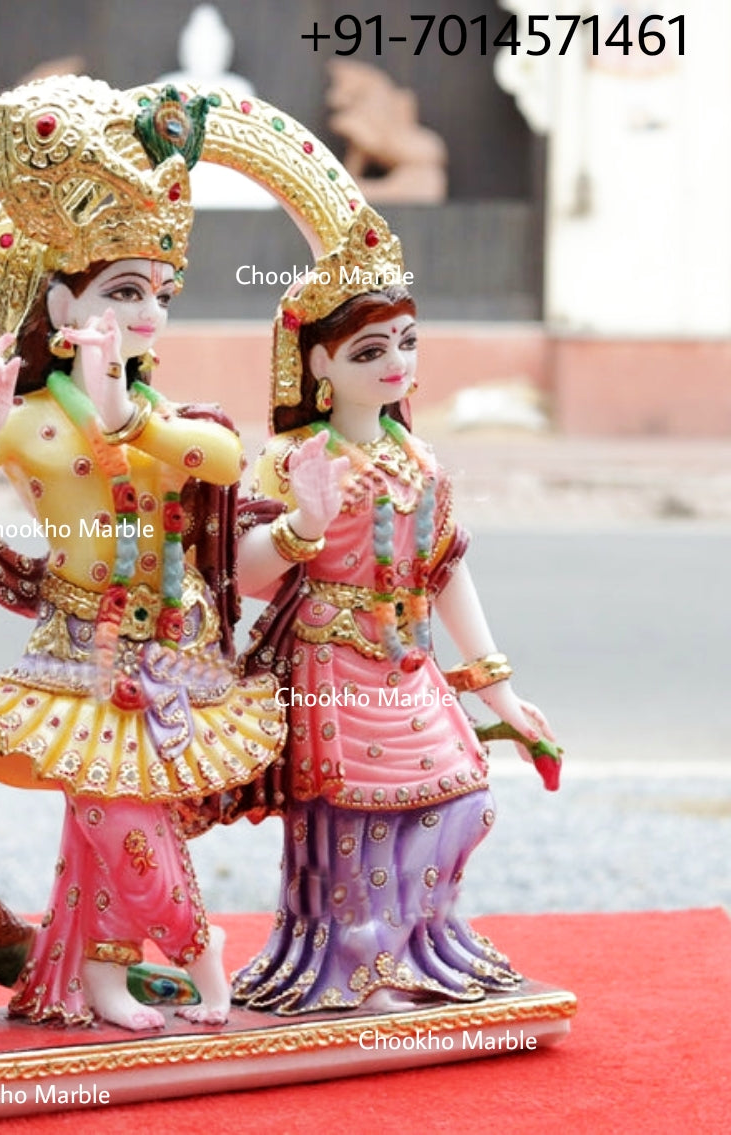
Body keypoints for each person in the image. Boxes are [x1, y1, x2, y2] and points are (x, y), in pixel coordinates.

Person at [0, 76, 284, 1031]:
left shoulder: (167, 418)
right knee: (112, 816)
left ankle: (126, 970)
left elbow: (226, 459)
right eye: (125, 292)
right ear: (64, 301)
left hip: (176, 655)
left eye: (160, 292)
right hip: (81, 657)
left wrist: (125, 415)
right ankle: (178, 965)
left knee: (123, 819)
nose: (150, 312)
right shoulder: (28, 423)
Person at [229, 207, 559, 1014]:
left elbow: (444, 572)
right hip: (328, 666)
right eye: (370, 350)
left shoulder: (421, 461)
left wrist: (502, 698)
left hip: (405, 661)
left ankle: (416, 940)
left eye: (407, 343)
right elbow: (241, 571)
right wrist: (303, 523)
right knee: (356, 825)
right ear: (318, 364)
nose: (396, 363)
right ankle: (354, 961)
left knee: (465, 796)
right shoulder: (292, 459)